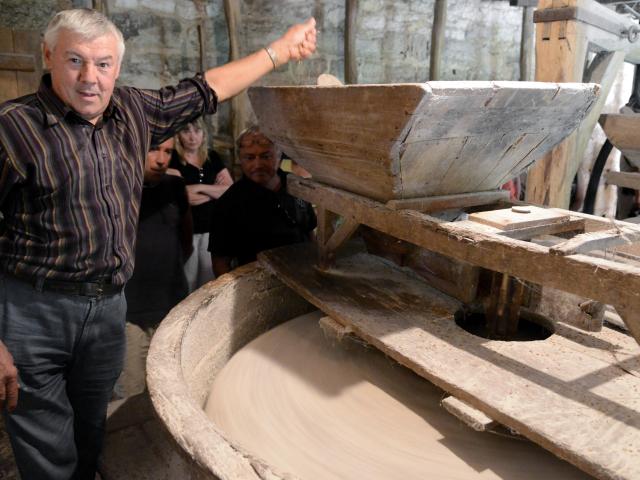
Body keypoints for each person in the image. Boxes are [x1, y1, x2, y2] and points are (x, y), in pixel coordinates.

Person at [0, 8, 316, 479]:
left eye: (103, 64)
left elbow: (208, 89)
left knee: (92, 432)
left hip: (108, 310)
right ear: (48, 56)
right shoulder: (13, 128)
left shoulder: (132, 110)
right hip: (32, 312)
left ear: (117, 68)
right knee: (49, 453)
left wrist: (281, 51)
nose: (91, 78)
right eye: (74, 61)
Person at [116, 137, 191, 398]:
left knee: (170, 386)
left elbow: (186, 240)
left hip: (170, 304)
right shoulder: (118, 189)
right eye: (154, 149)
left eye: (168, 151)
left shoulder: (176, 186)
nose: (161, 159)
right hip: (129, 309)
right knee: (133, 392)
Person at [209, 126, 317, 276]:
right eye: (250, 157)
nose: (258, 164)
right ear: (240, 158)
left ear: (279, 156)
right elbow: (220, 262)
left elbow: (310, 231)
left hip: (304, 275)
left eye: (266, 156)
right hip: (260, 287)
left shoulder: (296, 187)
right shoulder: (229, 204)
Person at [170, 118, 233, 292]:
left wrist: (199, 188)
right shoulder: (173, 158)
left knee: (209, 281)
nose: (192, 137)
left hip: (212, 230)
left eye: (197, 131)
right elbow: (183, 195)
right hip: (186, 230)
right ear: (178, 136)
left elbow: (229, 190)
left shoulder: (212, 157)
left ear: (204, 134)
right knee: (187, 281)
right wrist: (214, 192)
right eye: (186, 131)